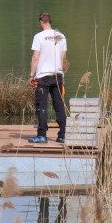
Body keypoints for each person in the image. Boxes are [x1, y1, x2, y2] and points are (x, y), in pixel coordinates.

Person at [28, 12, 67, 143]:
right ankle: (62, 134)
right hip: (57, 76)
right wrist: (63, 76)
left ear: (41, 22)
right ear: (50, 21)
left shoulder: (39, 36)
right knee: (59, 105)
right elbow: (62, 59)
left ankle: (42, 135)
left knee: (41, 106)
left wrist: (31, 75)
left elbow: (35, 57)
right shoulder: (61, 36)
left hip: (43, 77)